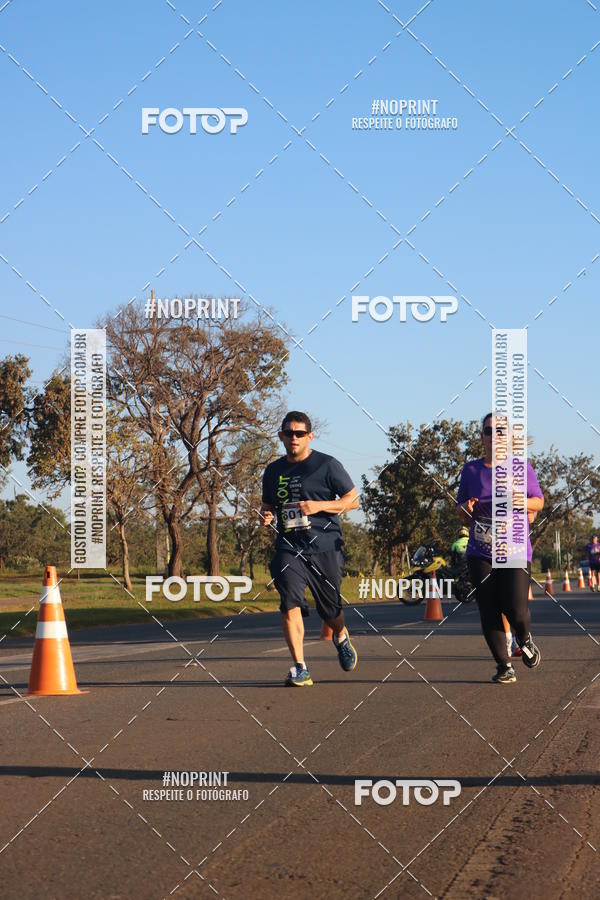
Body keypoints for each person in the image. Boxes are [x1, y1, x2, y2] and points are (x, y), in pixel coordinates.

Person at [260, 411, 360, 686]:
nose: (294, 438)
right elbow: (267, 507)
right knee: (289, 602)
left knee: (330, 611)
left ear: (309, 436)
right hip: (289, 546)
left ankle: (340, 636)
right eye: (289, 433)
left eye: (299, 433)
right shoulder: (273, 471)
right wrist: (266, 517)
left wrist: (319, 506)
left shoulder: (327, 465)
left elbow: (352, 500)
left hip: (325, 546)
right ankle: (300, 667)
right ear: (281, 436)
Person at [456, 412, 545, 684]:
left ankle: (524, 636)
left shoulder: (521, 467)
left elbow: (538, 503)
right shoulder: (471, 470)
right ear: (482, 437)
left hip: (515, 549)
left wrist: (522, 500)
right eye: (488, 430)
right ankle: (504, 665)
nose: (494, 436)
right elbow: (460, 510)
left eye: (500, 431)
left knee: (516, 609)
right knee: (489, 608)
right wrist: (465, 509)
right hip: (480, 551)